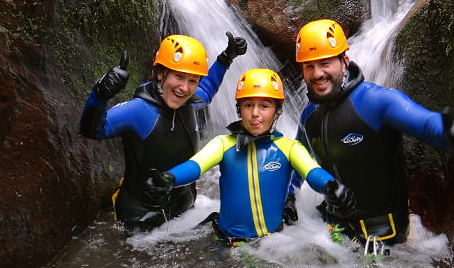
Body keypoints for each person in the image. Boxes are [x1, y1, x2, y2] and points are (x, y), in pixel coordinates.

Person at [288, 19, 454, 250]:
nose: (317, 73)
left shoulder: (375, 101)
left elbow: (424, 121)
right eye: (309, 66)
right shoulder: (308, 116)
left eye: (325, 63)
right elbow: (297, 160)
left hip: (383, 237)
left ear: (344, 62)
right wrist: (288, 198)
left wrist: (449, 133)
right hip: (331, 232)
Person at [144, 68, 356, 244]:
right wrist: (169, 178)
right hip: (227, 241)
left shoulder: (289, 148)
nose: (255, 113)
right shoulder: (223, 144)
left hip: (273, 244)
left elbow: (313, 173)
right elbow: (195, 167)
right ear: (239, 110)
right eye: (248, 105)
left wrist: (331, 187)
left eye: (264, 106)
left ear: (276, 111)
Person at [79, 32, 247, 232]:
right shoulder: (138, 110)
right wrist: (100, 95)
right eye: (178, 76)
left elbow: (208, 88)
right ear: (160, 73)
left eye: (193, 80)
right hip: (141, 220)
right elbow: (91, 130)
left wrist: (226, 57)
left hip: (184, 206)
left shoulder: (192, 102)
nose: (184, 88)